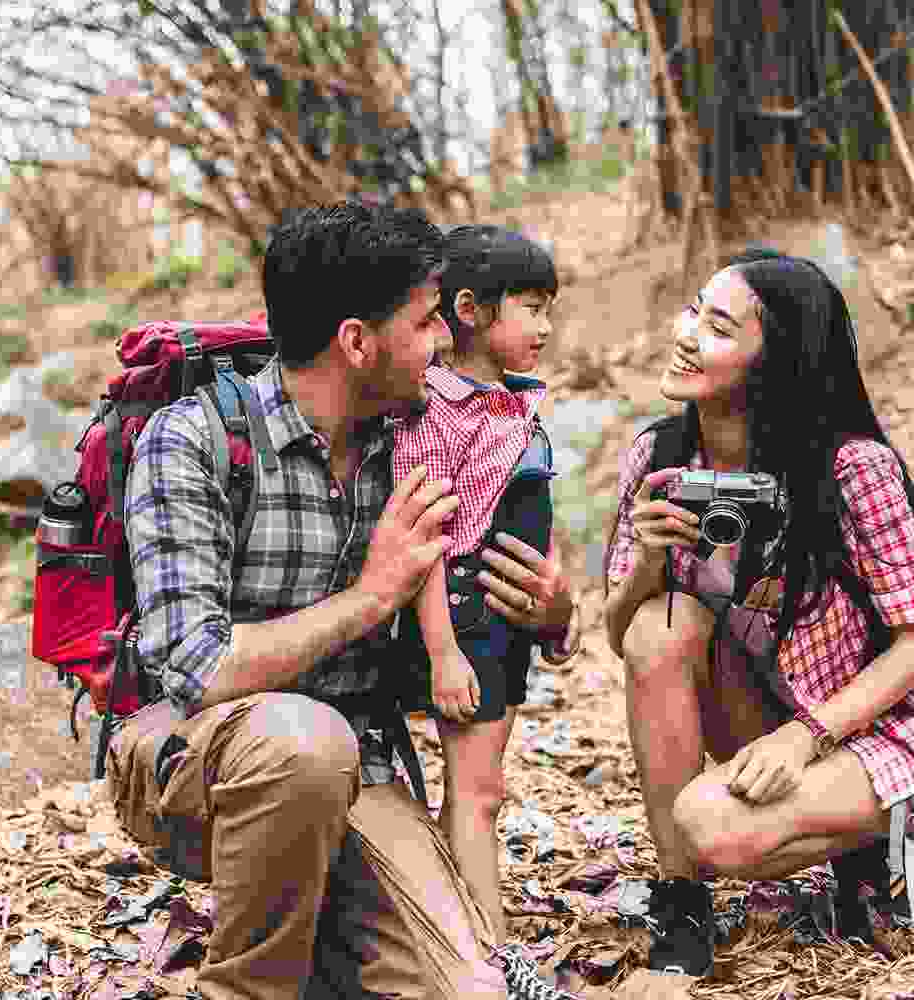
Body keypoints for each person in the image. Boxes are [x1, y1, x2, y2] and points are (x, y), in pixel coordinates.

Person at [106, 202, 581, 1000]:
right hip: (198, 758)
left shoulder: (417, 432)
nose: (443, 345)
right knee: (302, 741)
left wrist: (554, 616)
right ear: (357, 343)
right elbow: (197, 665)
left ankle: (327, 925)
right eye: (429, 323)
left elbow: (489, 575)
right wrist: (371, 597)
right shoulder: (192, 440)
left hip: (362, 765)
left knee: (472, 991)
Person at [603, 249, 914, 978]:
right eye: (693, 309)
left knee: (712, 824)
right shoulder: (661, 455)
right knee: (659, 624)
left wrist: (804, 739)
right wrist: (647, 563)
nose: (687, 333)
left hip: (867, 721)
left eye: (719, 327)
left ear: (775, 364)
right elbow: (622, 637)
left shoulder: (851, 468)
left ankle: (864, 841)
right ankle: (680, 898)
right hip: (758, 699)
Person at [392, 225, 568, 961]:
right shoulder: (436, 406)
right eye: (530, 307)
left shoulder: (511, 402)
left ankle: (468, 940)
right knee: (475, 792)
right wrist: (441, 652)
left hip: (501, 616)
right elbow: (425, 536)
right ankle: (483, 954)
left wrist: (559, 610)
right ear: (470, 309)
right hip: (461, 615)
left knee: (480, 790)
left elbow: (529, 507)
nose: (546, 327)